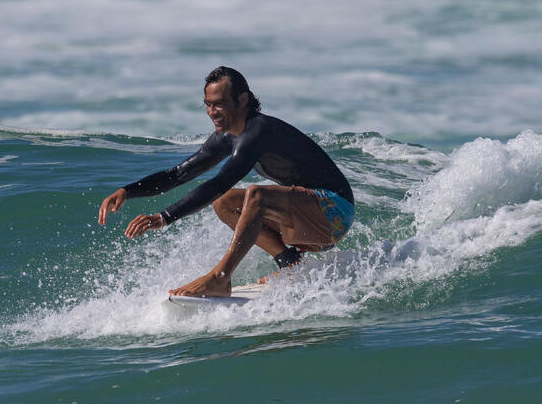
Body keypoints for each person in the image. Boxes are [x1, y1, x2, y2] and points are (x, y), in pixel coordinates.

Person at [97, 66, 355, 297]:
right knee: (225, 203)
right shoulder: (226, 137)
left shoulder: (257, 132)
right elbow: (177, 175)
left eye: (219, 104)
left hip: (334, 214)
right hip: (306, 221)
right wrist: (127, 191)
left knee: (255, 195)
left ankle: (220, 277)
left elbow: (221, 180)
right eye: (207, 104)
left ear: (242, 100)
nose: (211, 112)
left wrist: (165, 217)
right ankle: (290, 263)